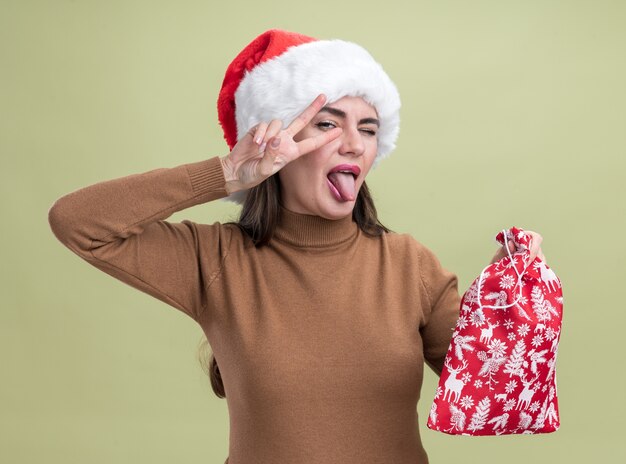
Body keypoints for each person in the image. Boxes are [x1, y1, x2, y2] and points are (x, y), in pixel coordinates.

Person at [48, 29, 546, 464]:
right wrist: (224, 175)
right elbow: (77, 222)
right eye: (328, 124)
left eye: (368, 129)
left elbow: (494, 393)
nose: (354, 143)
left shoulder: (408, 265)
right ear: (278, 143)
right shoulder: (218, 260)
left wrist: (508, 302)